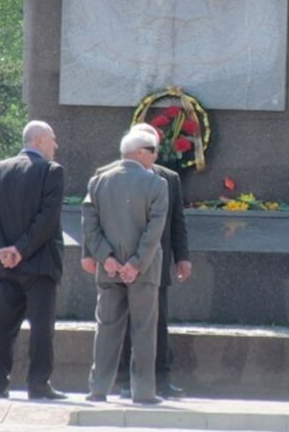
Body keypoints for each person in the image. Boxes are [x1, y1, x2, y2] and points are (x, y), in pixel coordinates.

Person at [81, 123, 192, 399]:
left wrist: (106, 258)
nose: (156, 156)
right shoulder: (156, 183)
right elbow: (154, 231)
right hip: (144, 272)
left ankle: (98, 389)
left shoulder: (98, 181)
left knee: (106, 330)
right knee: (144, 331)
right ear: (138, 152)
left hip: (109, 271)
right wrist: (136, 263)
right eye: (152, 150)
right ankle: (143, 391)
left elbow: (89, 226)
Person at [0, 120, 67, 400]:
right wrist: (21, 249)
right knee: (41, 328)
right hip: (39, 264)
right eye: (52, 139)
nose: (56, 145)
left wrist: (2, 249)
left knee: (1, 326)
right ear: (39, 140)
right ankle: (38, 384)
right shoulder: (51, 171)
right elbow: (47, 218)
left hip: (5, 265)